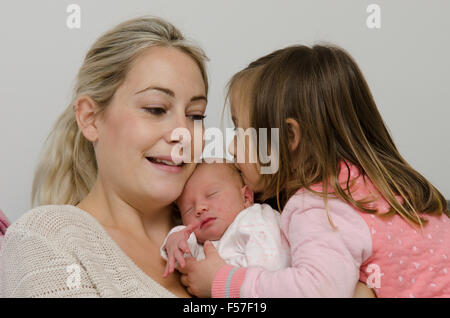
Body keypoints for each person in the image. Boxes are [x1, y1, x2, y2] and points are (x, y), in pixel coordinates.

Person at [177, 44, 450, 298]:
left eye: (240, 131)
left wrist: (224, 282)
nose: (233, 148)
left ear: (288, 137)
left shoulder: (319, 206)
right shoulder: (373, 183)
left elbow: (317, 291)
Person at [0, 16, 209, 297]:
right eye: (156, 109)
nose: (183, 133)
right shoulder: (47, 239)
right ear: (90, 119)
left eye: (195, 115)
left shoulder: (223, 233)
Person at [160, 161, 291, 278]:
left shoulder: (254, 219)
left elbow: (270, 266)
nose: (199, 208)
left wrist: (218, 279)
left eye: (211, 195)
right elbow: (184, 262)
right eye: (188, 209)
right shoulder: (202, 245)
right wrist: (176, 239)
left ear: (245, 197)